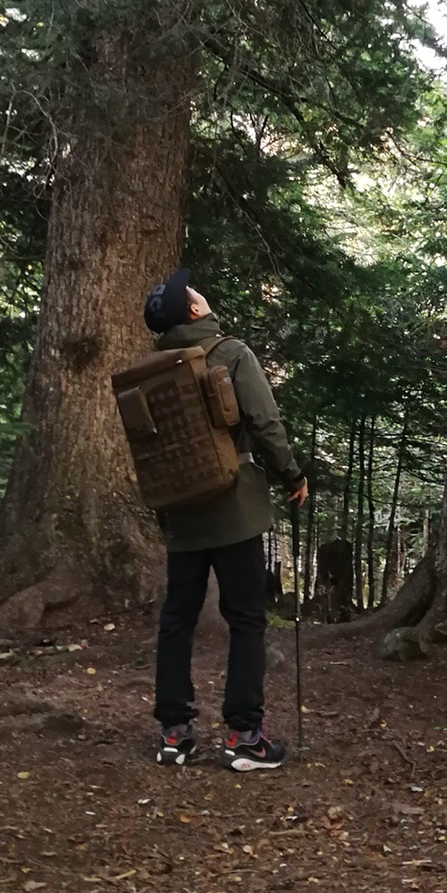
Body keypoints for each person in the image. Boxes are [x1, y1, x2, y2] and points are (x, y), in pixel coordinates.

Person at [142, 268, 308, 772]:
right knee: (246, 619)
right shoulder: (231, 353)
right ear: (193, 310)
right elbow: (263, 421)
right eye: (192, 292)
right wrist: (292, 474)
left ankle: (175, 735)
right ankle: (243, 737)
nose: (198, 292)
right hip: (233, 509)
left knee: (177, 619)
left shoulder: (153, 370)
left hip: (182, 512)